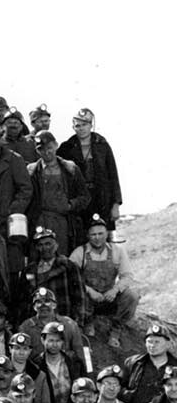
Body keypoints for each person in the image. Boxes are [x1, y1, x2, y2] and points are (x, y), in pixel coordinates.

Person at [72, 216, 139, 347]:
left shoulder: (117, 250)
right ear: (88, 236)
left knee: (132, 296)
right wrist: (89, 291)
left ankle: (116, 330)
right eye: (93, 234)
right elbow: (71, 277)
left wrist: (115, 290)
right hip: (88, 300)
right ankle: (87, 323)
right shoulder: (80, 252)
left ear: (107, 233)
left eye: (100, 233)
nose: (97, 238)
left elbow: (127, 276)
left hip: (109, 298)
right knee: (77, 293)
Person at [56, 109, 121, 234]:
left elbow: (113, 175)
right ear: (73, 127)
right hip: (79, 198)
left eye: (84, 125)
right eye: (78, 126)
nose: (81, 129)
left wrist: (116, 204)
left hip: (101, 198)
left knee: (103, 235)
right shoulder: (66, 147)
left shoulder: (102, 145)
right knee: (80, 236)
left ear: (91, 125)